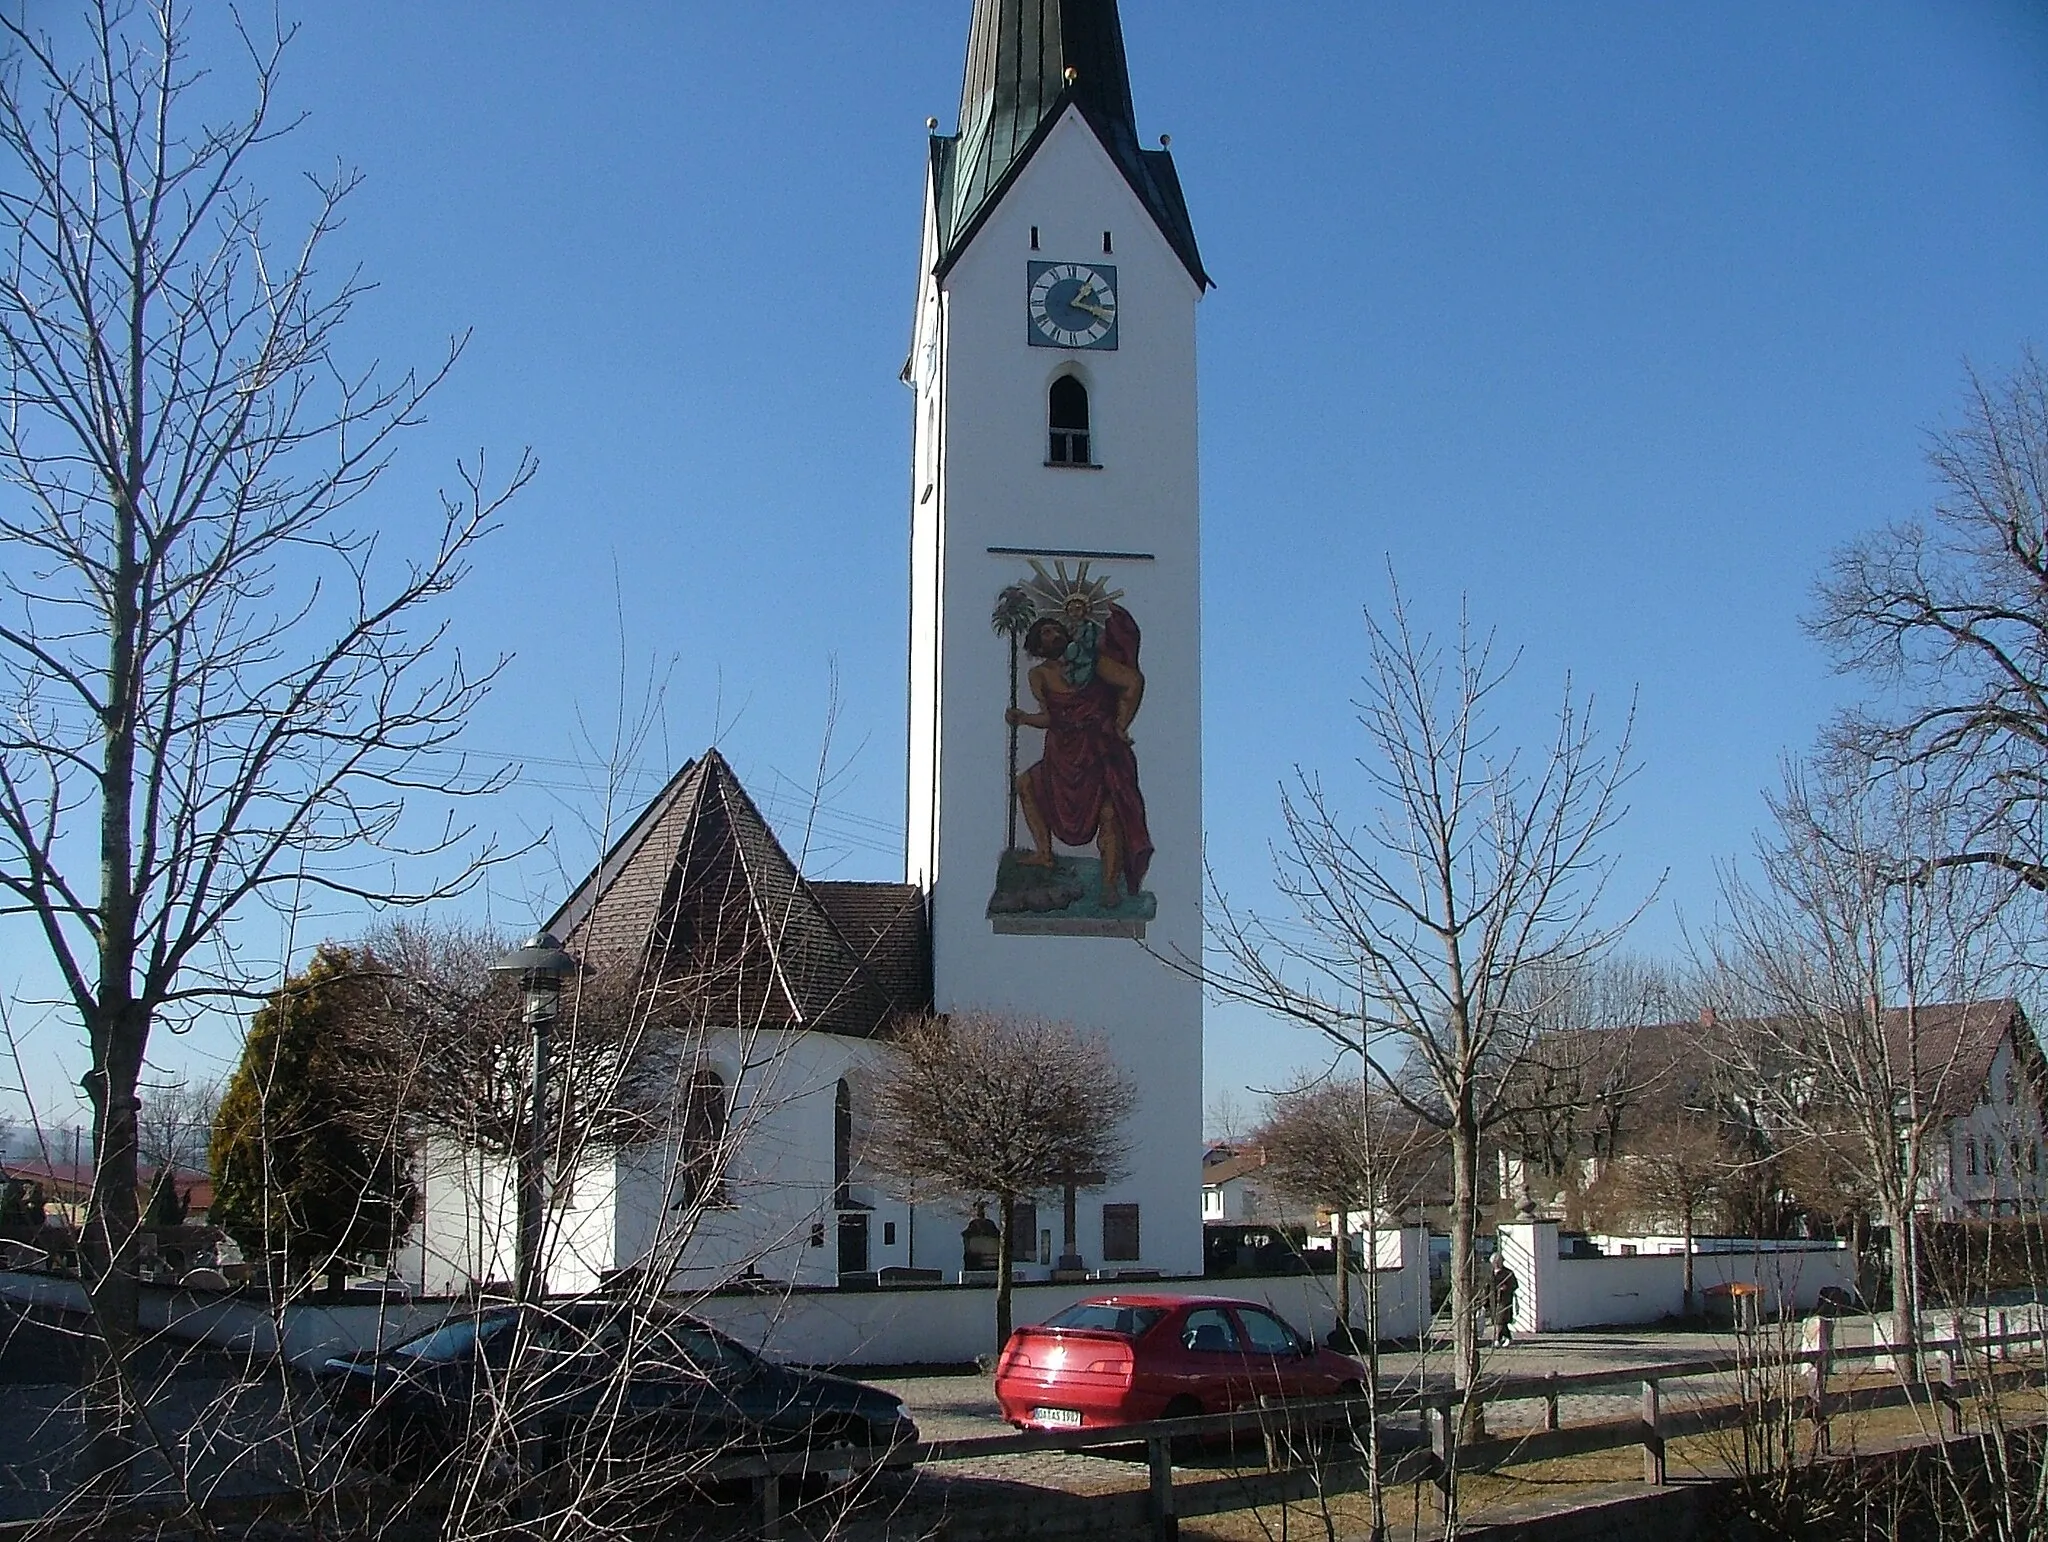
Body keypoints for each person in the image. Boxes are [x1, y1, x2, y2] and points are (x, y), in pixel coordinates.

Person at [1005, 607, 1152, 908]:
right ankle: (1044, 853)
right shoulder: (1040, 675)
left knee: (1110, 814)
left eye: (1056, 629)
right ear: (1037, 642)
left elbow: (1132, 682)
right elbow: (1050, 717)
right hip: (1062, 754)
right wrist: (1023, 719)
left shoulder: (1091, 661)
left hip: (1099, 750)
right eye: (1045, 632)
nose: (1054, 634)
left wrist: (1121, 725)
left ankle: (1110, 886)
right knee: (1025, 784)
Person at [1490, 1258, 1520, 1347]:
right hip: (1493, 1300)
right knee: (1498, 1321)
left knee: (1501, 1320)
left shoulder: (1508, 1273)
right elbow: (1487, 1286)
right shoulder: (1490, 1273)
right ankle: (1508, 1337)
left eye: (1498, 1262)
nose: (1496, 1264)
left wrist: (1506, 1288)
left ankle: (1497, 1339)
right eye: (1494, 1262)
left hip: (1504, 1300)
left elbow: (1514, 1285)